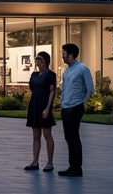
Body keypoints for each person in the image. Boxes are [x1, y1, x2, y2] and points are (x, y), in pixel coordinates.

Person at [58, 43, 93, 177]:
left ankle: (77, 167)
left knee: (74, 137)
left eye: (64, 53)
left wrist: (81, 102)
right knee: (68, 137)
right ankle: (72, 165)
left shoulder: (82, 69)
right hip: (66, 107)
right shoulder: (67, 71)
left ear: (71, 54)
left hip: (75, 107)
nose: (63, 56)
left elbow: (89, 88)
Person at [23, 52, 56, 171]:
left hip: (44, 105)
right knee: (36, 135)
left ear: (45, 61)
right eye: (36, 59)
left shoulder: (50, 75)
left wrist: (48, 108)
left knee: (47, 134)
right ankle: (35, 161)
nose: (37, 61)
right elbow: (32, 88)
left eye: (39, 59)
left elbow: (52, 91)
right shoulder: (34, 75)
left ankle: (50, 162)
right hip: (34, 106)